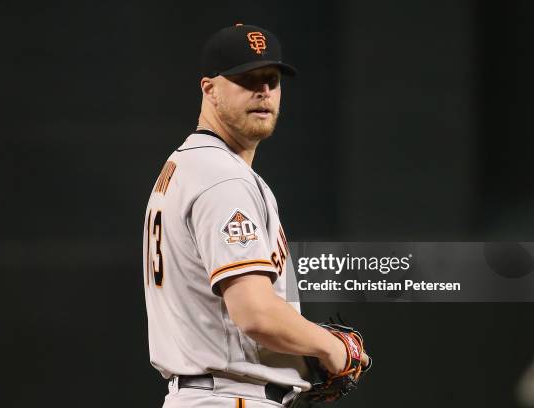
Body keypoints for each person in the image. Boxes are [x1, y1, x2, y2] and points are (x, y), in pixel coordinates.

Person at [143, 23, 368, 407]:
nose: (263, 91)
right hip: (230, 396)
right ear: (209, 89)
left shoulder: (188, 166)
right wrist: (331, 347)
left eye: (272, 80)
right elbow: (255, 313)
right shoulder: (222, 177)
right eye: (246, 79)